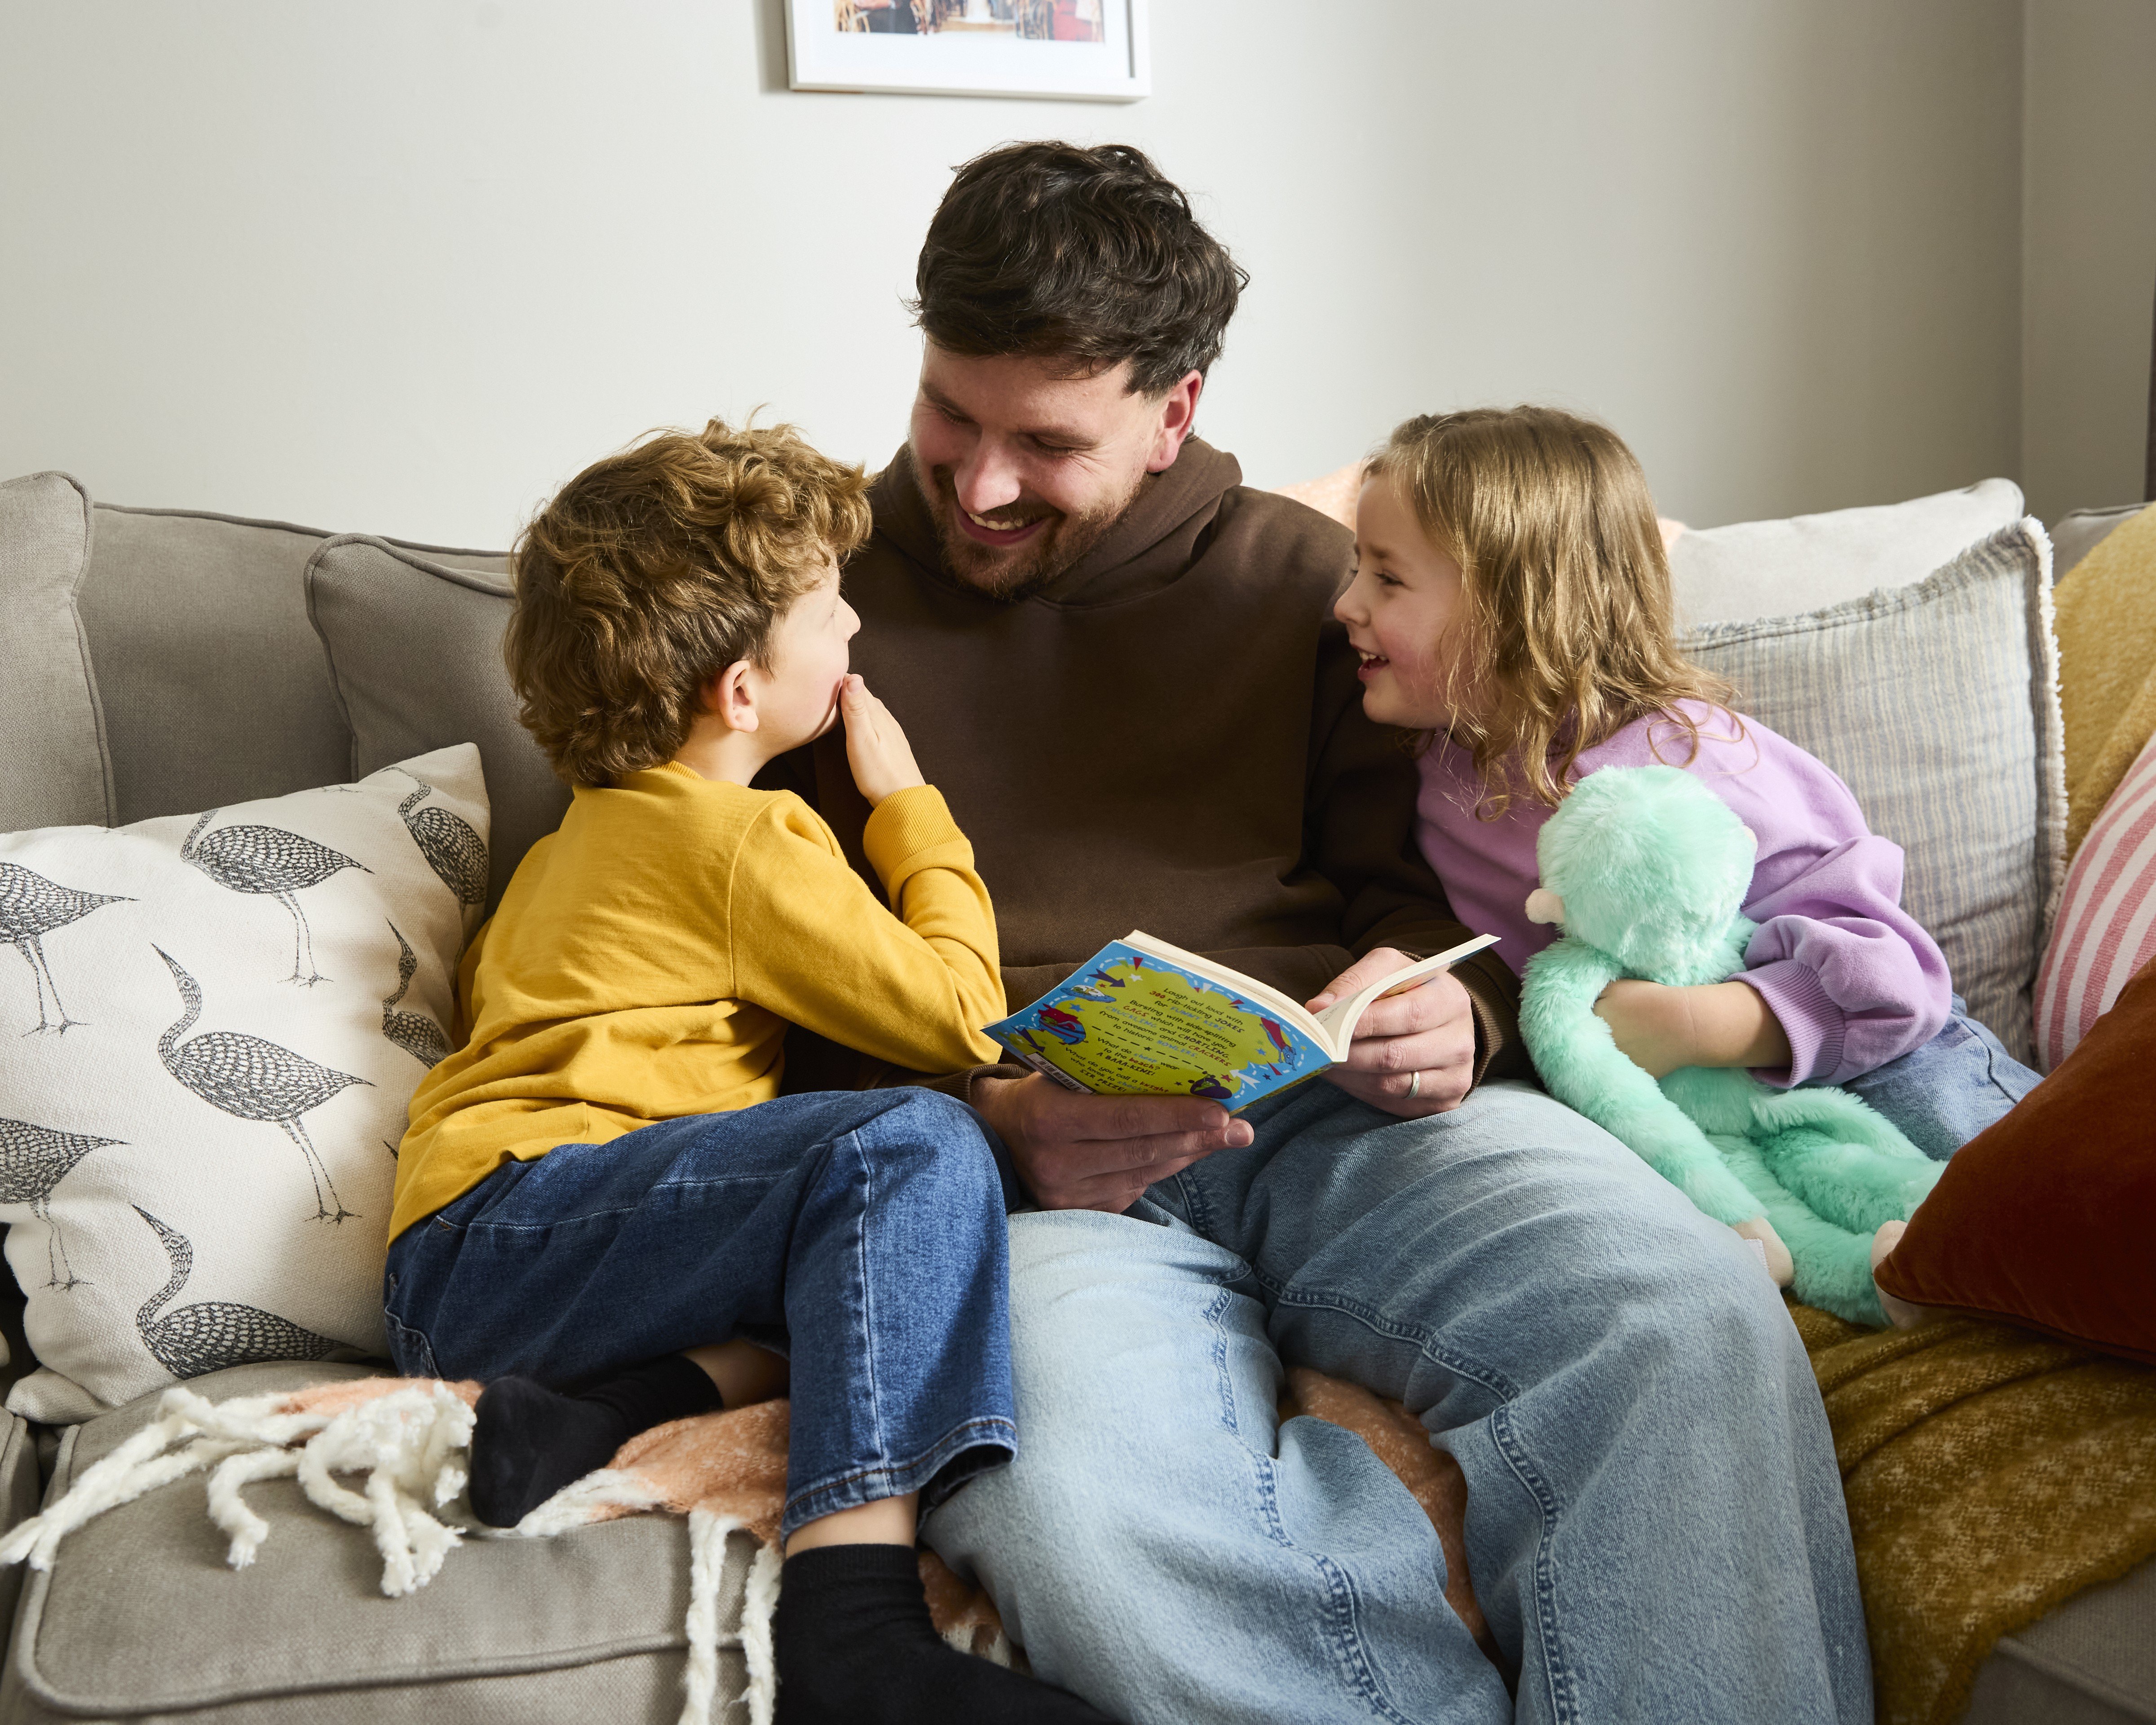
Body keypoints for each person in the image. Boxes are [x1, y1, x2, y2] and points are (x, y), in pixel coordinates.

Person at [764, 140, 1873, 1724]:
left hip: (1350, 1120)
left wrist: (1458, 1011)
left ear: (1177, 412)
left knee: (1682, 1312)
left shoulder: (1318, 591)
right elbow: (735, 991)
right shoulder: (807, 611)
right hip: (1029, 1183)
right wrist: (982, 1125)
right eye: (951, 414)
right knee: (1071, 1510)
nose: (982, 484)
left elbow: (1453, 893)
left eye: (1045, 442)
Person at [382, 420, 1112, 1725]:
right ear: (737, 690)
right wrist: (906, 808)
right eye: (833, 613)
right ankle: (853, 1625)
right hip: (524, 1224)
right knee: (919, 1152)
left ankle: (594, 1413)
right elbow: (959, 1017)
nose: (853, 642)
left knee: (868, 1289)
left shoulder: (569, 844)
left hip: (459, 1272)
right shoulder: (743, 839)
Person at [1338, 405, 2038, 1165]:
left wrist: (1694, 1027)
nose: (1347, 604)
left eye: (1387, 578)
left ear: (1516, 610)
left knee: (2049, 1203)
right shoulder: (1424, 767)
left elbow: (1892, 975)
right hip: (1727, 1137)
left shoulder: (1688, 754)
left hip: (1895, 1069)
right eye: (1355, 568)